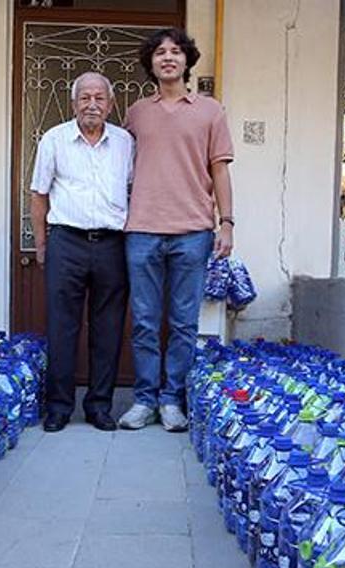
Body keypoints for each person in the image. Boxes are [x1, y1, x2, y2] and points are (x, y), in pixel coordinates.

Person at [118, 27, 234, 433]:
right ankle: (145, 400)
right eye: (160, 53)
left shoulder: (210, 111)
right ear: (150, 63)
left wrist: (227, 223)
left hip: (193, 230)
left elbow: (219, 168)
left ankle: (172, 400)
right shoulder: (136, 113)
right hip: (142, 229)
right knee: (146, 321)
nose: (168, 57)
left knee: (184, 322)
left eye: (176, 51)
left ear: (187, 60)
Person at [29, 72, 134, 432]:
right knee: (62, 326)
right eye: (85, 98)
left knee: (108, 328)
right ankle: (58, 406)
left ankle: (99, 406)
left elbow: (139, 189)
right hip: (66, 241)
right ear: (73, 103)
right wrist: (42, 244)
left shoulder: (125, 143)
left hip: (113, 244)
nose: (92, 104)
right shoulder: (54, 139)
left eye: (99, 98)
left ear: (110, 104)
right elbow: (39, 194)